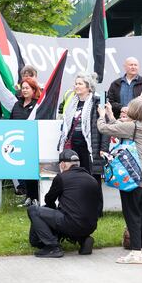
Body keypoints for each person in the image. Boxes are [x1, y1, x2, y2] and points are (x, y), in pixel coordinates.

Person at [98, 97, 142, 264]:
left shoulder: (132, 127)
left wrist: (102, 115)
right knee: (141, 215)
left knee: (131, 215)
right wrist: (111, 114)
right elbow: (121, 128)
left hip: (131, 176)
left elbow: (104, 129)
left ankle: (136, 254)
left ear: (134, 111)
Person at [26, 149, 102, 258]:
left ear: (62, 164)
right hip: (90, 226)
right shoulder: (92, 179)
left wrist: (52, 212)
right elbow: (98, 205)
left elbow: (49, 200)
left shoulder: (62, 177)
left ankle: (52, 247)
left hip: (71, 223)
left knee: (33, 210)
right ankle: (83, 239)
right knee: (71, 216)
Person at [57, 73, 104, 214]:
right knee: (75, 177)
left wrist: (103, 148)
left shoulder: (97, 102)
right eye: (76, 83)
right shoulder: (72, 102)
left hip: (90, 146)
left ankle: (96, 210)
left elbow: (104, 127)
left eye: (80, 84)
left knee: (92, 177)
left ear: (89, 87)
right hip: (74, 145)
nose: (76, 86)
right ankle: (79, 207)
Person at [10, 77, 41, 206]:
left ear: (34, 90)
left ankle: (35, 197)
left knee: (33, 171)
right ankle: (28, 196)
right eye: (23, 88)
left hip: (32, 142)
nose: (25, 90)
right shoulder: (17, 104)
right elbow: (12, 121)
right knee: (25, 170)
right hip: (19, 142)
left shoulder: (37, 105)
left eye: (27, 88)